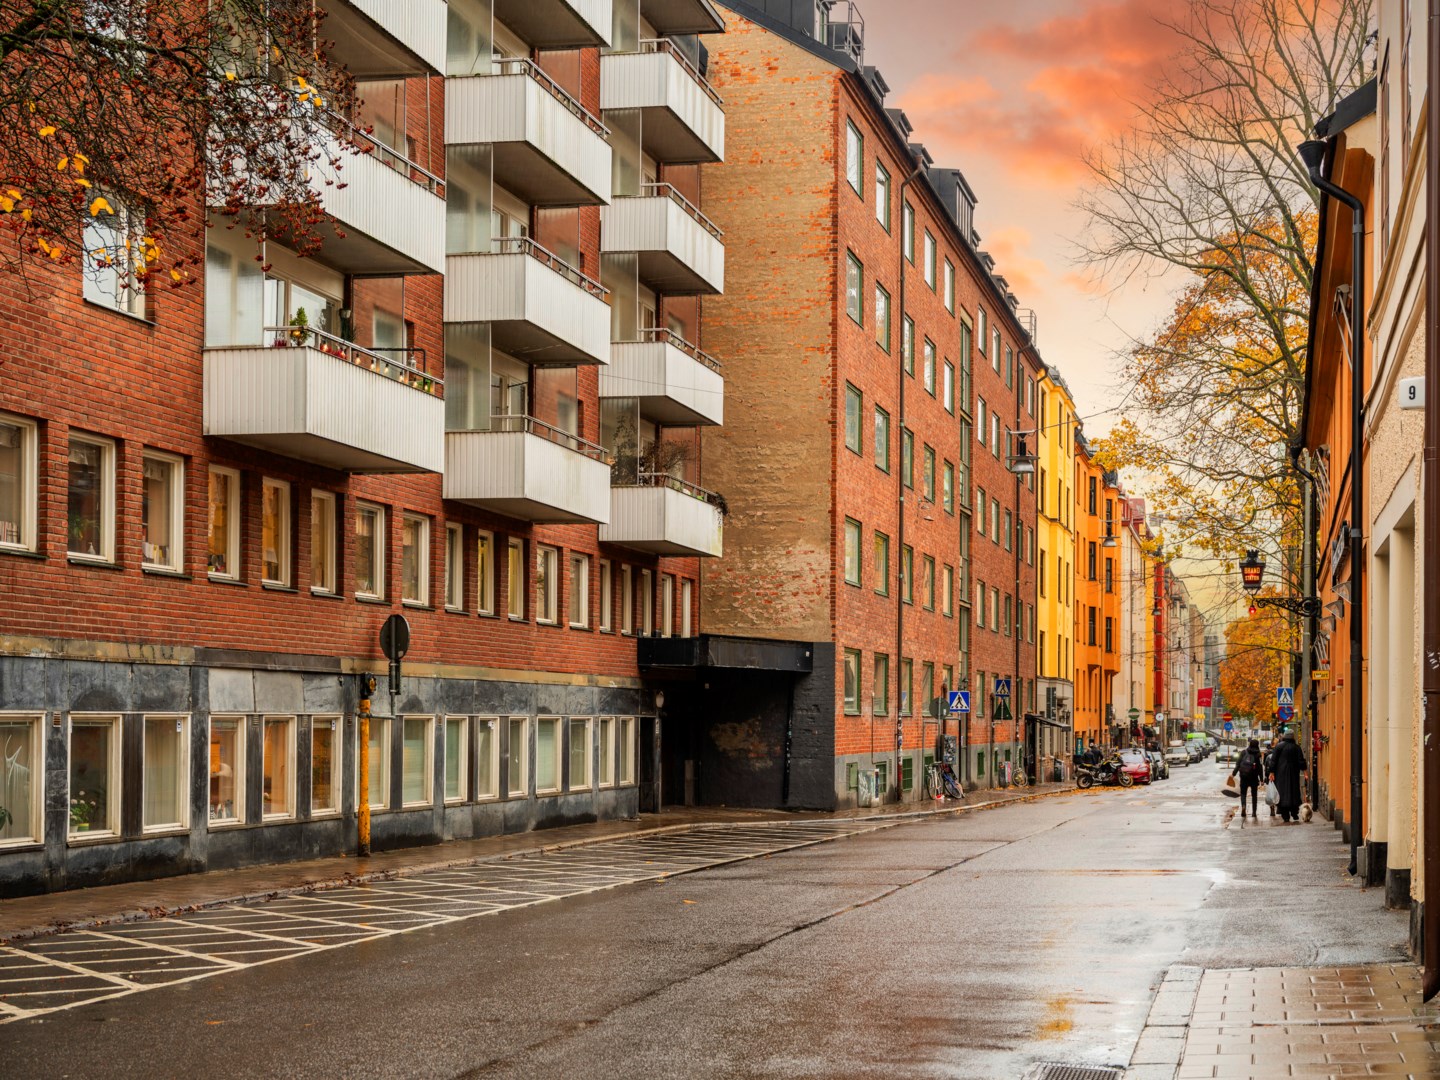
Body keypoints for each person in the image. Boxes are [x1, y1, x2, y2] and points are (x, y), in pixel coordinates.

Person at [1269, 731, 1309, 823]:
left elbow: (1273, 760)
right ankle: (1294, 813)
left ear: (1284, 737)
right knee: (1294, 791)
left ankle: (1285, 815)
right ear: (1293, 737)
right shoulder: (1296, 747)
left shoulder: (1278, 746)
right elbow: (1301, 761)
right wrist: (1305, 772)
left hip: (1280, 774)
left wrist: (1271, 772)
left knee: (1282, 793)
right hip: (1294, 773)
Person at [1232, 738, 1263, 819]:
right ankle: (1254, 813)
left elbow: (1238, 764)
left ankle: (1244, 806)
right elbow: (1260, 768)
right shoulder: (1258, 754)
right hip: (1254, 777)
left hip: (1244, 776)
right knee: (1254, 795)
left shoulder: (1243, 752)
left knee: (1243, 794)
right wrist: (1262, 779)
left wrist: (1233, 774)